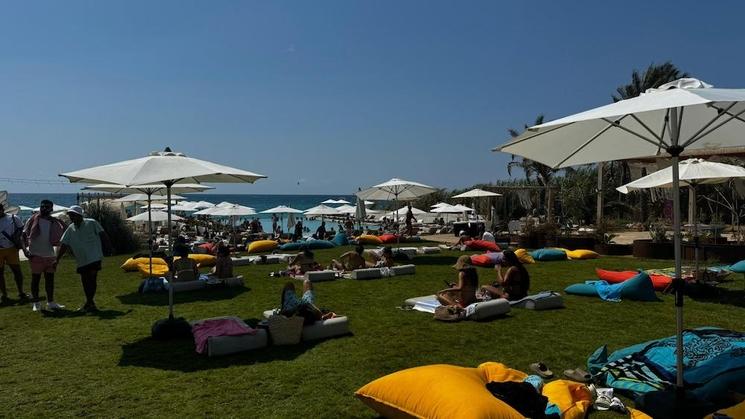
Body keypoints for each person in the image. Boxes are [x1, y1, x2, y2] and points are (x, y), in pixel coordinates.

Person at [55, 206, 111, 312]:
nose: (71, 217)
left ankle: (89, 303)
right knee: (85, 281)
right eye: (70, 215)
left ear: (80, 215)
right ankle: (90, 303)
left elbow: (103, 234)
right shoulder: (71, 228)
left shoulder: (91, 222)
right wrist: (57, 259)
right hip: (82, 260)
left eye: (74, 215)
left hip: (94, 256)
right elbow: (64, 244)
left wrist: (108, 247)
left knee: (92, 278)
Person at [23, 200, 67, 311]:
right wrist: (25, 251)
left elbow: (66, 231)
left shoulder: (54, 222)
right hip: (35, 254)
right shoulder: (32, 219)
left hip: (50, 255)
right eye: (42, 206)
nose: (44, 208)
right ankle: (36, 303)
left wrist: (58, 220)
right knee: (35, 280)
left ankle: (51, 302)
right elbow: (23, 235)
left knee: (50, 280)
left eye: (47, 207)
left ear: (51, 209)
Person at [0, 203, 28, 304]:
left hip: (12, 248)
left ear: (2, 209)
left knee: (17, 271)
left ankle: (21, 292)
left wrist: (19, 242)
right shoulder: (13, 218)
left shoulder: (13, 218)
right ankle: (4, 295)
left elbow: (21, 230)